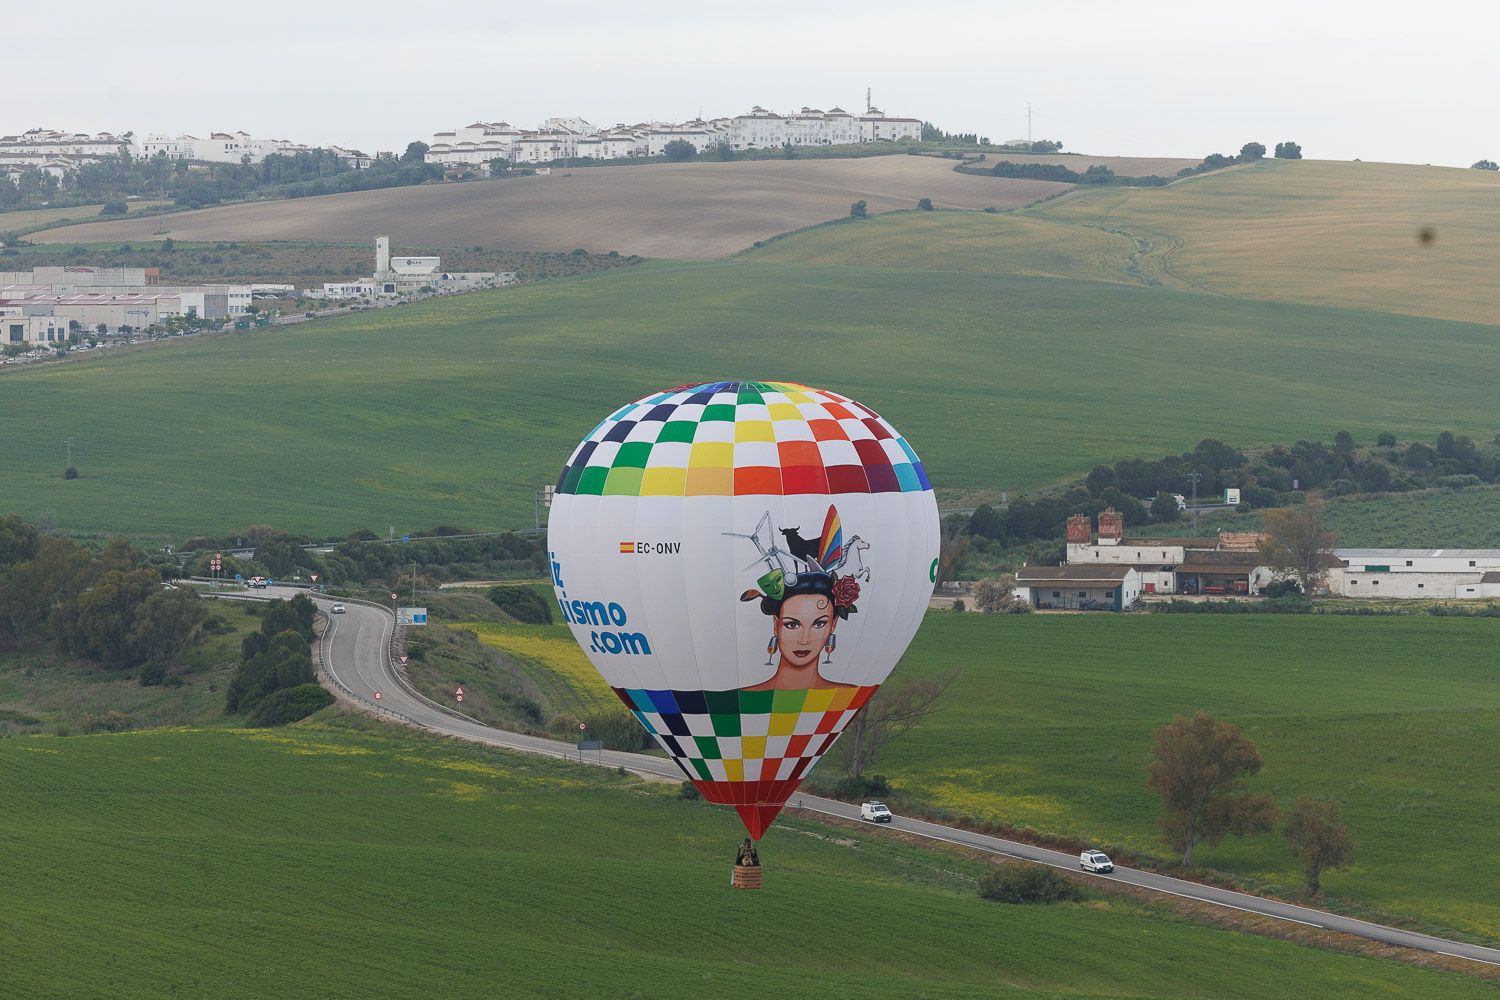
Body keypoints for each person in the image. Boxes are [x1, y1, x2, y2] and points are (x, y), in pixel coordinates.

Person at [743, 571, 859, 691]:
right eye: (792, 625)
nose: (804, 640)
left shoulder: (847, 693)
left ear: (833, 624)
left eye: (819, 624)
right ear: (776, 624)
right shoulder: (739, 697)